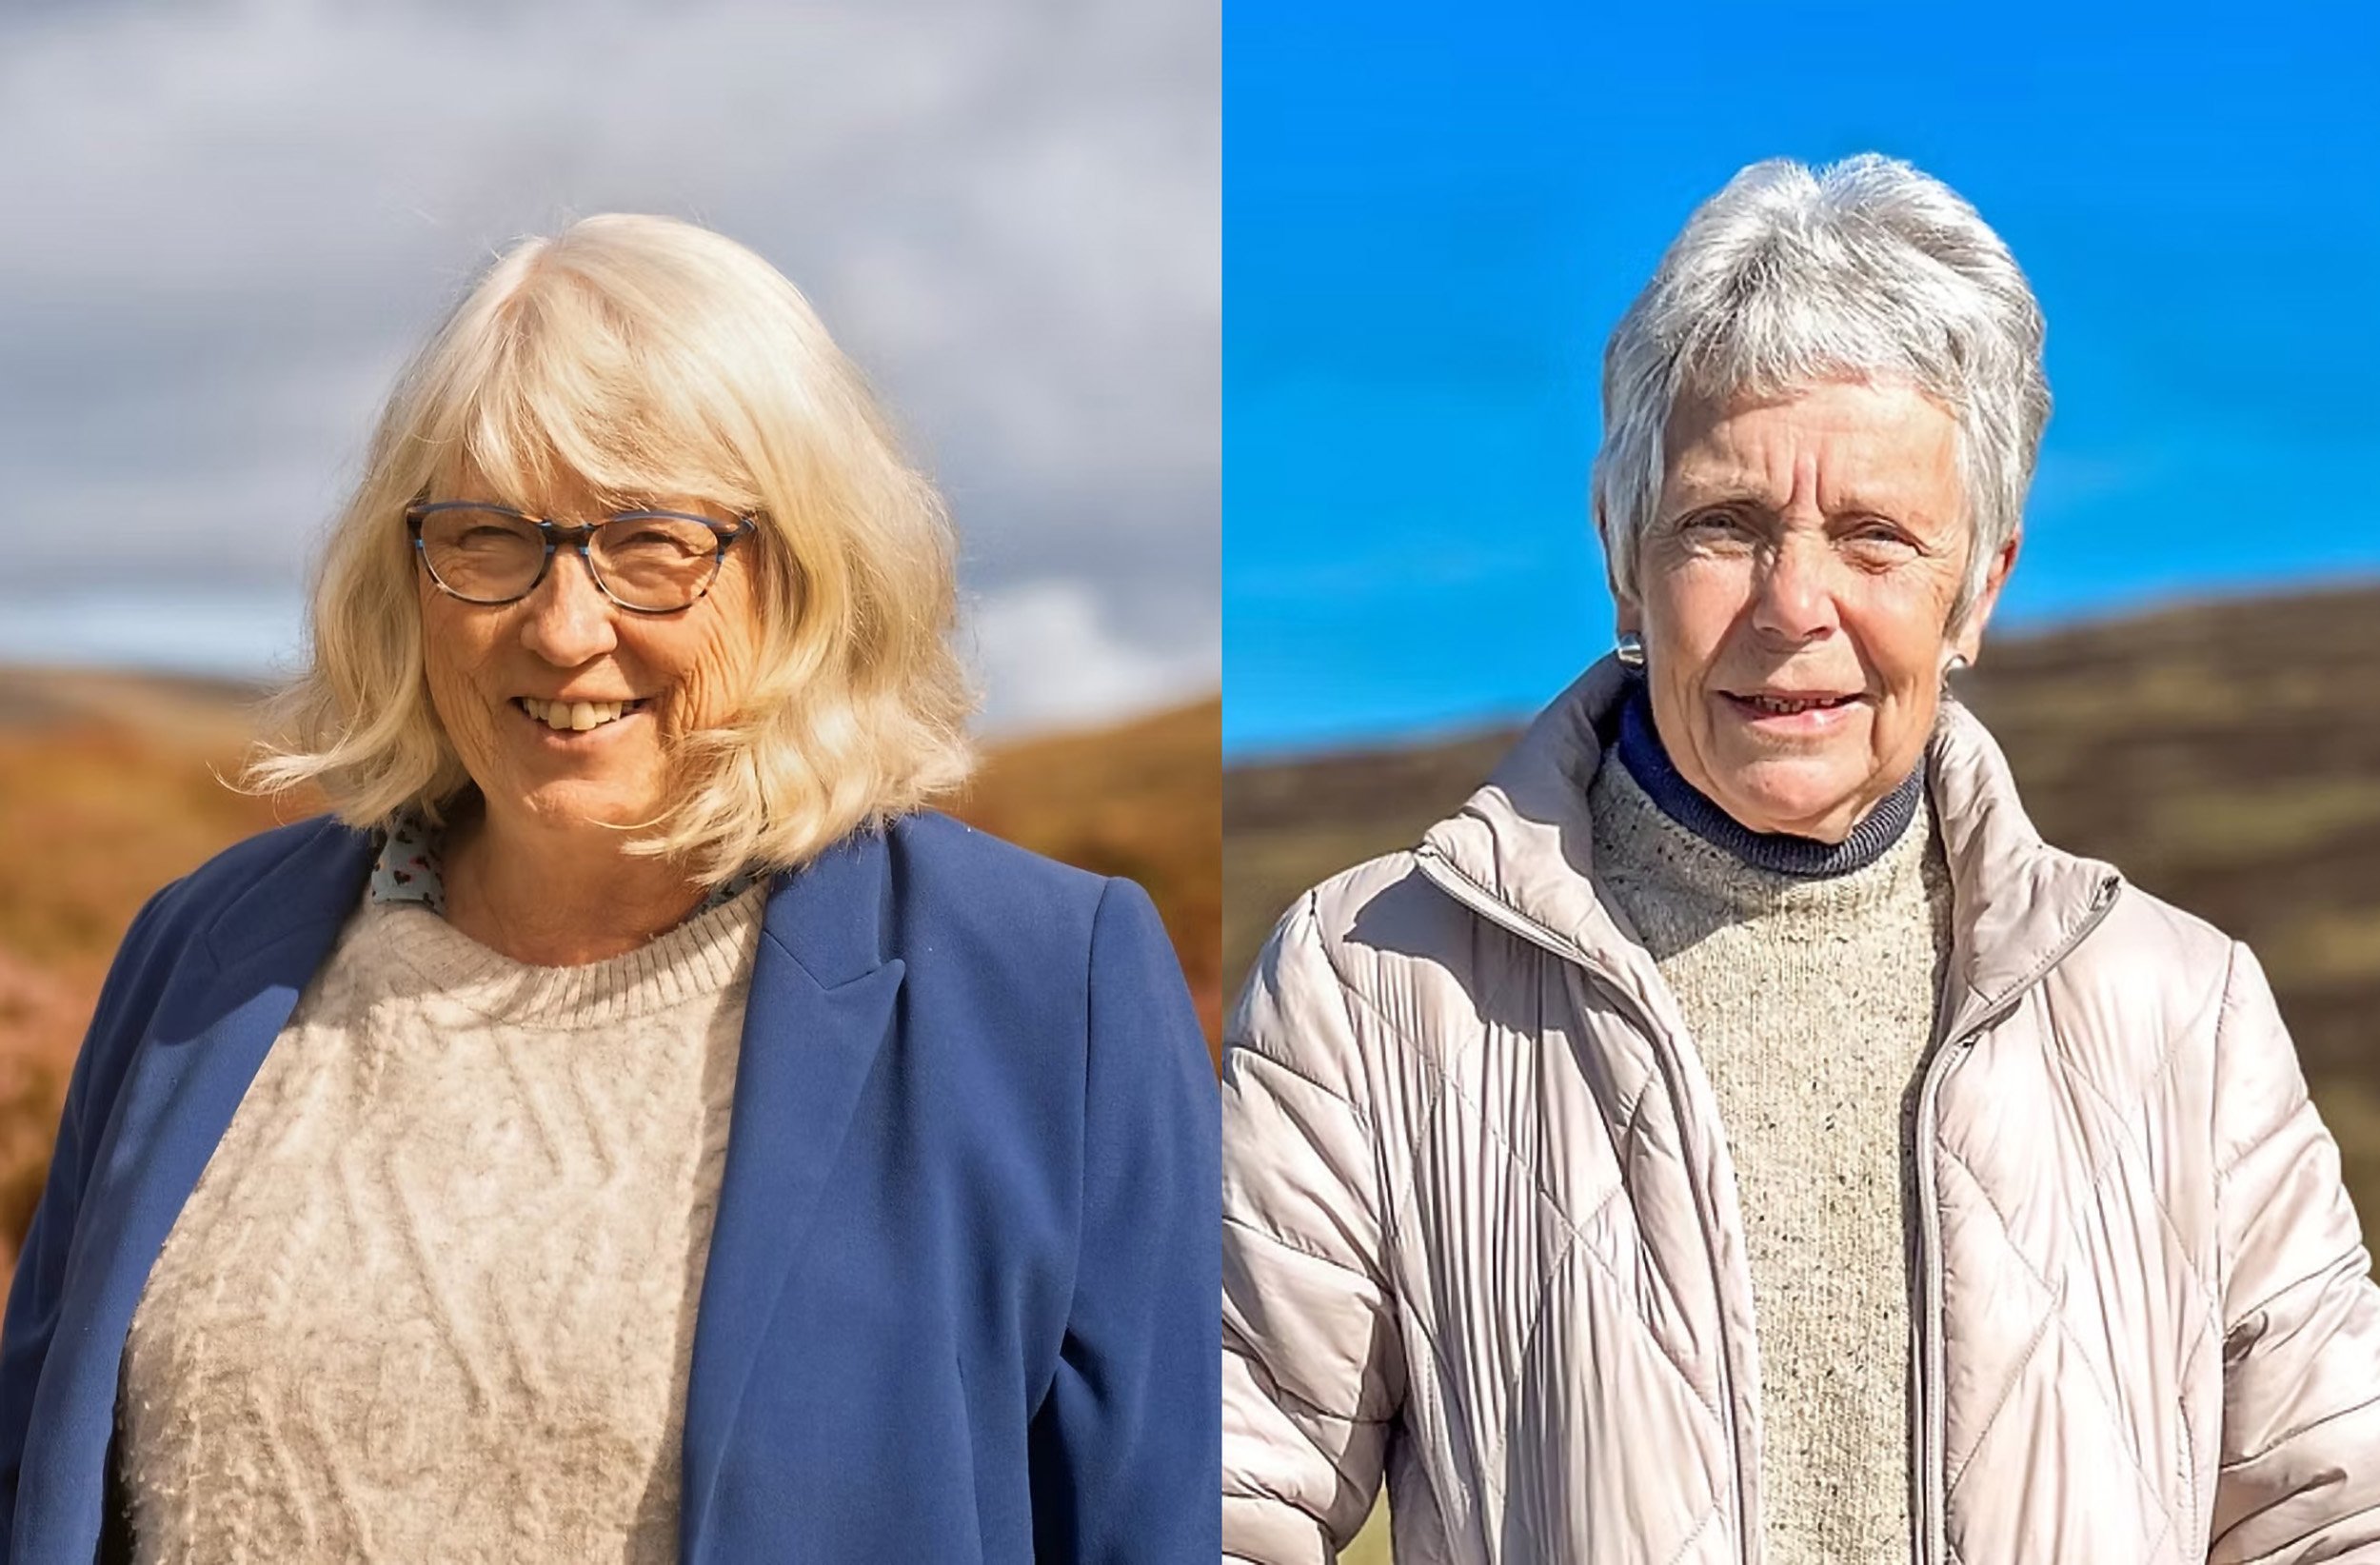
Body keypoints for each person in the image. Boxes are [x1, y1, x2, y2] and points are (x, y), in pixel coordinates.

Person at [0, 214, 1219, 1563]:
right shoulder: (204, 952)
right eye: (488, 538)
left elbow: (1148, 1521)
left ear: (808, 572)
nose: (565, 626)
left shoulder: (1047, 984)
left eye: (653, 545)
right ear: (405, 573)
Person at [1220, 156, 2380, 1563]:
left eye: (1876, 540)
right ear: (1619, 552)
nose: (1795, 605)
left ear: (1983, 584)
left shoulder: (2181, 1014)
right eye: (1727, 525)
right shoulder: (1371, 988)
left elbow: (2332, 1519)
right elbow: (1223, 1499)